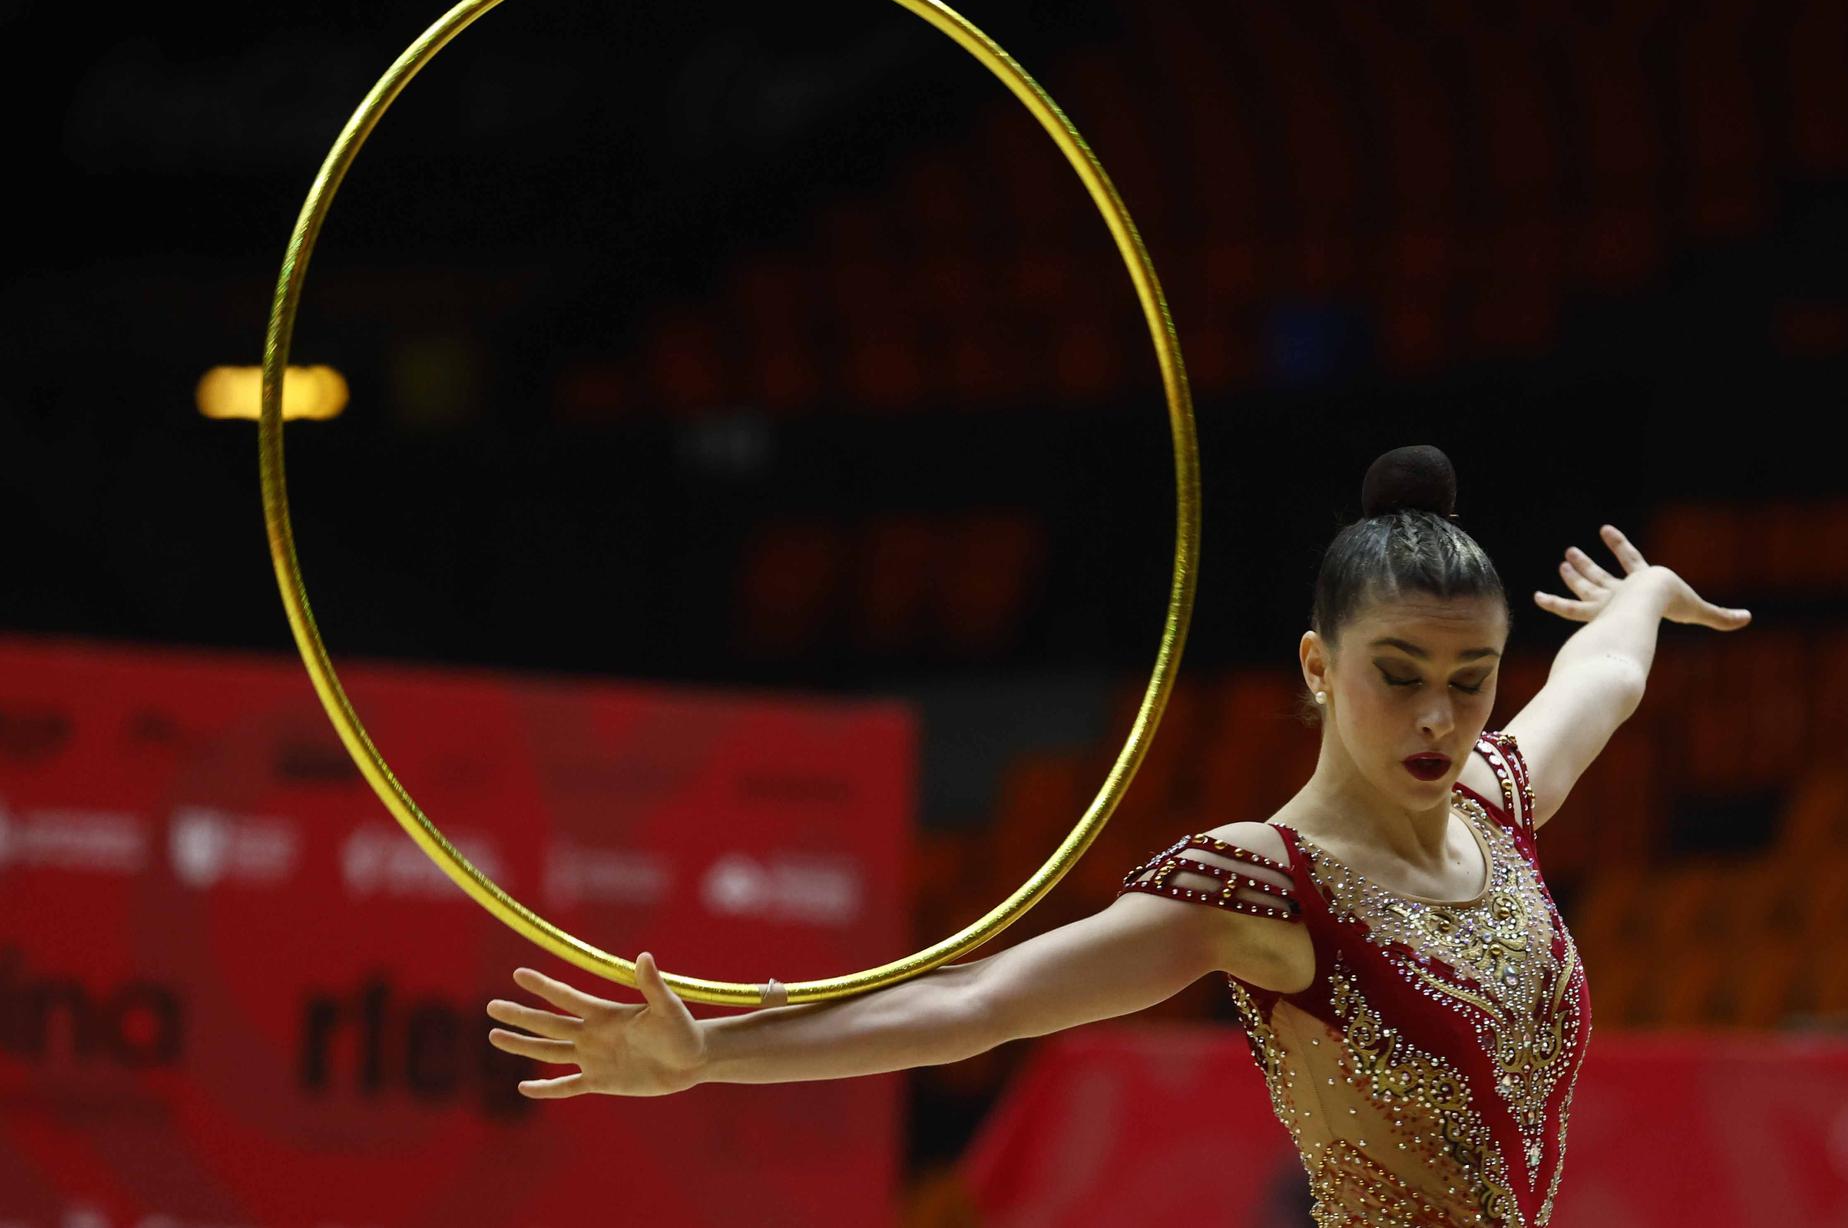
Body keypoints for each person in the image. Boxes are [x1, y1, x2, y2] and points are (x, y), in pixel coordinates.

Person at [485, 444, 1752, 1226]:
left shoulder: (1496, 795)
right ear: (1316, 665)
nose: (1437, 714)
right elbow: (979, 1001)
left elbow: (1603, 680)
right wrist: (710, 1055)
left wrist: (1640, 594)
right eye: (1397, 673)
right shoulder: (1263, 886)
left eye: (1470, 678)